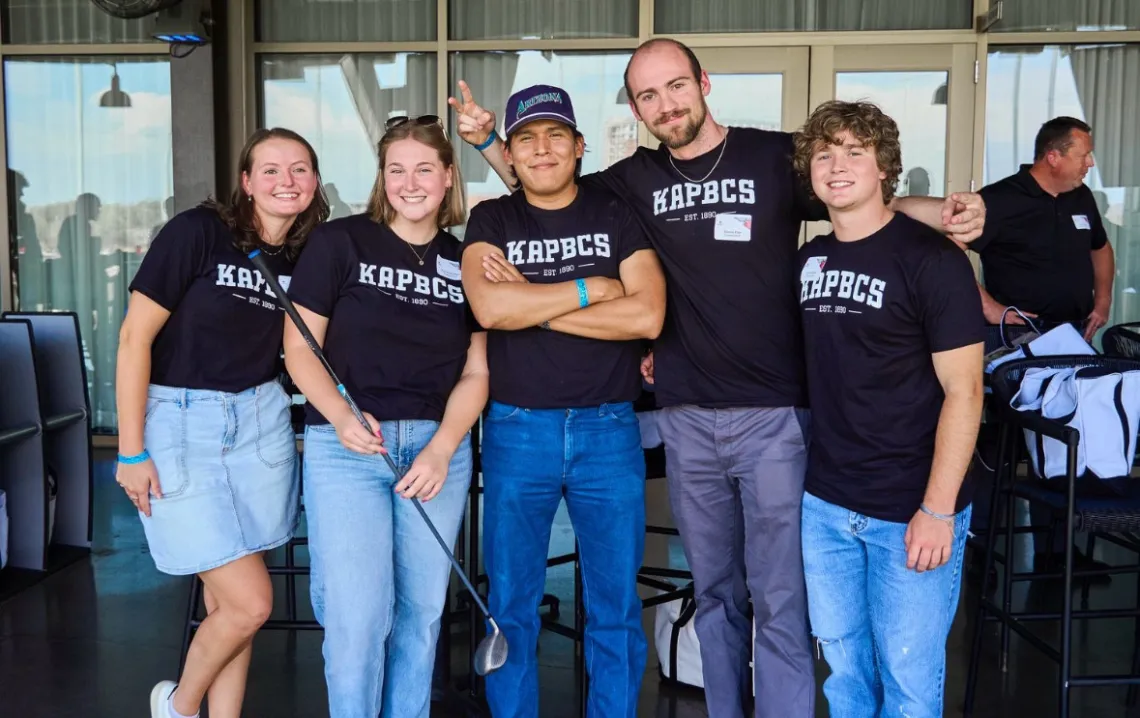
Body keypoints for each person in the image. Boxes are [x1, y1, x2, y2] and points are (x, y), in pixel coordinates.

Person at [450, 37, 987, 718]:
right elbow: (546, 174)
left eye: (676, 86)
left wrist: (941, 212)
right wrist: (489, 141)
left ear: (703, 82)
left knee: (782, 604)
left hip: (775, 419)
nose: (665, 104)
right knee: (716, 599)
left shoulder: (774, 156)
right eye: (648, 95)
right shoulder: (631, 182)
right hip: (684, 415)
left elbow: (854, 196)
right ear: (637, 108)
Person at [460, 84, 666, 718]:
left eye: (555, 136)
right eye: (525, 138)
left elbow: (649, 316)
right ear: (511, 154)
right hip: (518, 432)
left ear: (579, 148)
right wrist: (591, 289)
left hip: (609, 431)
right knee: (512, 604)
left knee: (614, 606)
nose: (541, 149)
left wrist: (537, 305)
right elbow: (492, 307)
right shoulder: (492, 218)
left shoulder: (613, 214)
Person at [114, 127, 328, 718]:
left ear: (315, 181)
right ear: (246, 183)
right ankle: (178, 707)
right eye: (270, 170)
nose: (287, 180)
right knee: (251, 603)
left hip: (261, 424)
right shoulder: (198, 232)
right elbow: (135, 338)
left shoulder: (306, 254)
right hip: (182, 424)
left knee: (227, 608)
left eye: (300, 169)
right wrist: (131, 450)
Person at [283, 114, 488, 718]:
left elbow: (478, 371)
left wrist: (444, 447)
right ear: (382, 178)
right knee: (356, 618)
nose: (410, 181)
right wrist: (342, 416)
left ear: (449, 176)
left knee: (421, 613)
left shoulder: (466, 261)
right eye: (396, 169)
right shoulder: (340, 242)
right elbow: (299, 347)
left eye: (424, 168)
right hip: (347, 450)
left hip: (434, 452)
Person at [792, 100, 984, 718]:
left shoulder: (935, 262)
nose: (838, 165)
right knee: (844, 671)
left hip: (911, 507)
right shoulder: (808, 262)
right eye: (825, 153)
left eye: (855, 152)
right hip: (825, 503)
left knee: (907, 676)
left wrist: (938, 509)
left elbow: (966, 392)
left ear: (884, 170)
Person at [966, 116, 1115, 575]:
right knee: (1000, 441)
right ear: (1053, 156)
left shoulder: (1079, 196)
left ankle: (1057, 552)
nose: (1090, 163)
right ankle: (981, 549)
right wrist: (989, 305)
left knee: (1065, 436)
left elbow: (1100, 248)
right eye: (1083, 155)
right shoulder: (1000, 199)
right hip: (1014, 338)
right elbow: (949, 251)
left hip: (1068, 337)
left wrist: (1103, 301)